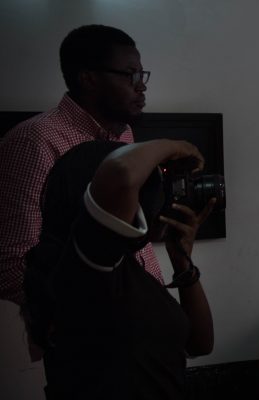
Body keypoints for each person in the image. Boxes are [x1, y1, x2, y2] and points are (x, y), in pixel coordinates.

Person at [0, 25, 159, 360]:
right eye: (130, 74)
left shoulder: (123, 136)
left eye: (142, 74)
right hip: (89, 347)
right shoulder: (34, 141)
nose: (141, 85)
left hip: (143, 329)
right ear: (89, 79)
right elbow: (13, 262)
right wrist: (79, 323)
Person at [24, 139, 215, 399]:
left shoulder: (125, 268)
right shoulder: (82, 269)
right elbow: (122, 173)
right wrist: (179, 146)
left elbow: (199, 344)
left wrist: (182, 260)